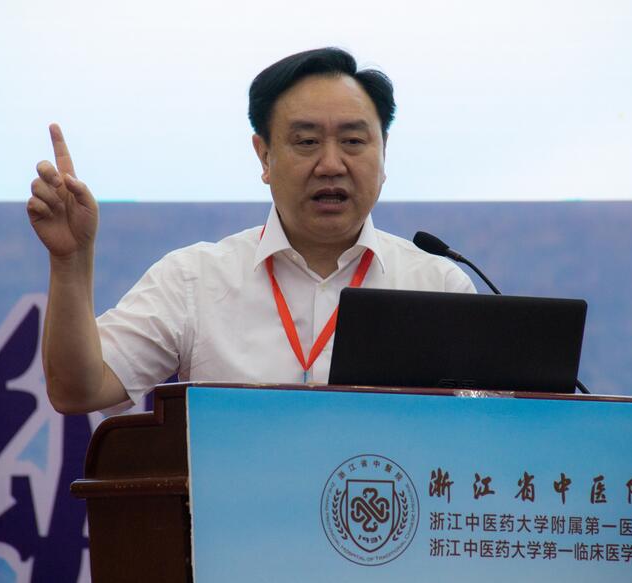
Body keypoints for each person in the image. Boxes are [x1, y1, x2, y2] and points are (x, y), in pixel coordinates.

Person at [27, 47, 475, 414]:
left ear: (384, 152)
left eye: (353, 142)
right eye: (307, 142)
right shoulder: (195, 279)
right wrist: (70, 262)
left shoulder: (438, 286)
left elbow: (482, 431)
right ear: (264, 157)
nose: (331, 164)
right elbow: (78, 390)